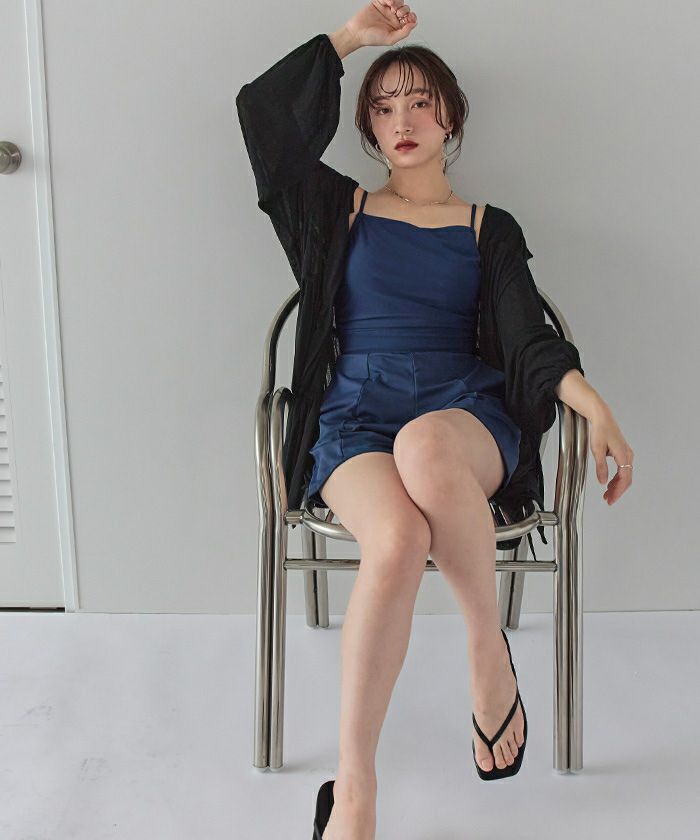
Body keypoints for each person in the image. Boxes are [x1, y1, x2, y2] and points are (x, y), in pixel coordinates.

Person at [238, 3, 634, 838]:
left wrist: (592, 402)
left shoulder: (488, 228)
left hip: (464, 417)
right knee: (394, 541)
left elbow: (527, 337)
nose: (404, 121)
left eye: (420, 103)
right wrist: (351, 39)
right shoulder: (337, 212)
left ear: (451, 117)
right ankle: (355, 791)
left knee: (425, 446)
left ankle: (486, 655)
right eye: (384, 108)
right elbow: (262, 116)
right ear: (368, 132)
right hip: (356, 417)